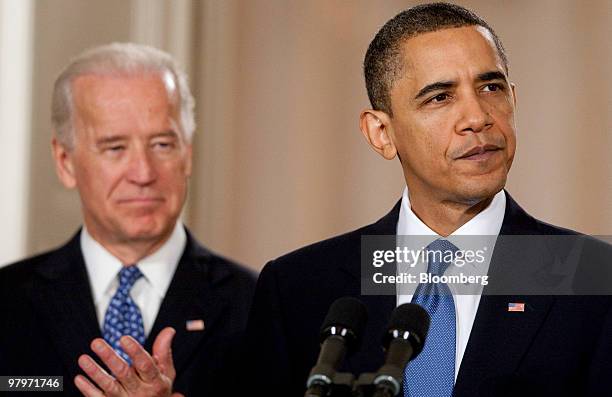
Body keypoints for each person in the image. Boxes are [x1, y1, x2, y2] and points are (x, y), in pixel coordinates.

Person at [245, 3, 612, 396]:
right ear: (381, 133)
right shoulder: (297, 288)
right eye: (439, 97)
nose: (477, 117)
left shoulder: (592, 277)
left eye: (492, 87)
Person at [0, 43, 256, 396]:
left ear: (188, 155)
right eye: (115, 148)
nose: (143, 173)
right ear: (65, 161)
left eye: (163, 145)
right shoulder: (7, 302)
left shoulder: (258, 306)